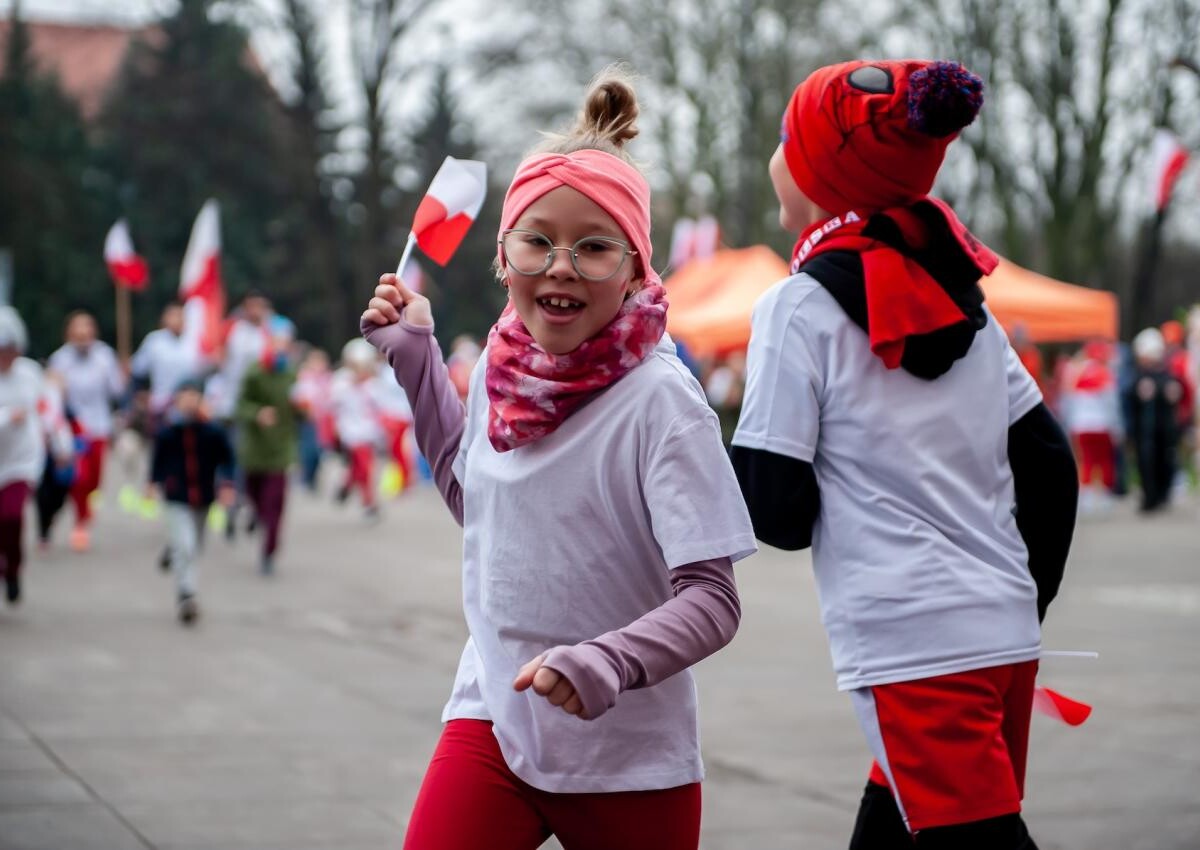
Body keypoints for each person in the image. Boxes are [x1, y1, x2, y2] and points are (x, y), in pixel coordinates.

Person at [361, 69, 755, 850]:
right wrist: (416, 360)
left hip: (631, 756)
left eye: (595, 247)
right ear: (503, 259)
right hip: (494, 721)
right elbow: (478, 503)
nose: (562, 264)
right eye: (537, 241)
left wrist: (608, 660)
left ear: (639, 272)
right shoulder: (501, 376)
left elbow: (714, 601)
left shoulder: (663, 404)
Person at [731, 60, 1079, 849]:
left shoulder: (796, 308)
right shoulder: (967, 301)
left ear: (819, 172)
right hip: (1000, 635)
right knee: (898, 823)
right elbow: (1050, 465)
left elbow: (774, 513)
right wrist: (1023, 597)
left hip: (911, 642)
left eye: (786, 141)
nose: (774, 157)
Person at [149, 380, 234, 624]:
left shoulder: (212, 431)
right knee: (186, 546)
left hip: (204, 497)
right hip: (176, 495)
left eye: (194, 397)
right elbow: (158, 461)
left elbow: (228, 460)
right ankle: (187, 594)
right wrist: (153, 483)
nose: (189, 402)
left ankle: (172, 551)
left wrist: (227, 485)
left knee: (194, 546)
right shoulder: (169, 432)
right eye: (184, 397)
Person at [47, 311, 127, 552]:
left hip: (99, 425)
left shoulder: (104, 356)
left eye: (86, 329)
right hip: (72, 429)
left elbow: (117, 392)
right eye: (77, 330)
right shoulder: (59, 359)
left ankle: (84, 509)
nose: (82, 335)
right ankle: (81, 521)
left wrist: (123, 373)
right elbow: (52, 396)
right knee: (79, 478)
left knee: (94, 479)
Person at [234, 316, 299, 575]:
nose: (281, 348)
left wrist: (303, 408)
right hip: (255, 447)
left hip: (281, 448)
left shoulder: (292, 373)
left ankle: (269, 551)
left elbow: (302, 405)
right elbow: (240, 405)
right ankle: (256, 515)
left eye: (285, 343)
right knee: (254, 494)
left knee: (275, 503)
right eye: (276, 343)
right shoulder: (254, 372)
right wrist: (257, 413)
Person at [0, 308, 55, 604]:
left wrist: (62, 444)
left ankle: (13, 569)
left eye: (10, 350)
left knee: (11, 517)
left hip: (21, 461)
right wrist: (8, 416)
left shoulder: (30, 374)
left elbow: (47, 411)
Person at [1061, 341, 1123, 513]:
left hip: (1081, 425)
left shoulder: (1076, 372)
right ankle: (1104, 496)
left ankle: (1087, 496)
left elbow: (1069, 401)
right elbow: (1112, 404)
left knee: (1087, 460)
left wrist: (1070, 425)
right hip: (1102, 425)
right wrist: (1117, 427)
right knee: (1104, 460)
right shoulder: (1105, 373)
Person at [1127, 328, 1182, 513]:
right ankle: (1149, 495)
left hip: (1164, 428)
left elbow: (1177, 391)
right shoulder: (1137, 375)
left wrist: (1173, 391)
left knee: (1165, 460)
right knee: (1146, 460)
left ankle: (1162, 494)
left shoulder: (1167, 374)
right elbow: (1129, 396)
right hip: (1145, 430)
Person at [331, 338, 384, 520]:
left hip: (368, 432)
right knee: (364, 467)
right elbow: (334, 406)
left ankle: (346, 486)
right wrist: (335, 429)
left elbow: (380, 407)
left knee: (360, 466)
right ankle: (370, 502)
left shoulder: (374, 384)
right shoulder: (340, 381)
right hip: (349, 431)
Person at [130, 302, 202, 435]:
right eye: (173, 315)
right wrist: (141, 397)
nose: (177, 320)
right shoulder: (154, 341)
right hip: (160, 406)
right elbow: (138, 371)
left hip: (187, 408)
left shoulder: (192, 343)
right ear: (164, 319)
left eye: (180, 316)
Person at [34, 370, 76, 550]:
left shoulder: (64, 403)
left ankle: (50, 518)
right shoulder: (37, 396)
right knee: (43, 493)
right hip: (39, 450)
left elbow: (67, 423)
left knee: (61, 492)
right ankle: (43, 530)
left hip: (60, 449)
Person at [292, 347, 334, 492]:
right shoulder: (304, 377)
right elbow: (298, 396)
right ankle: (306, 478)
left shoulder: (328, 379)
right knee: (308, 450)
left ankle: (313, 477)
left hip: (323, 420)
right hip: (309, 420)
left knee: (321, 451)